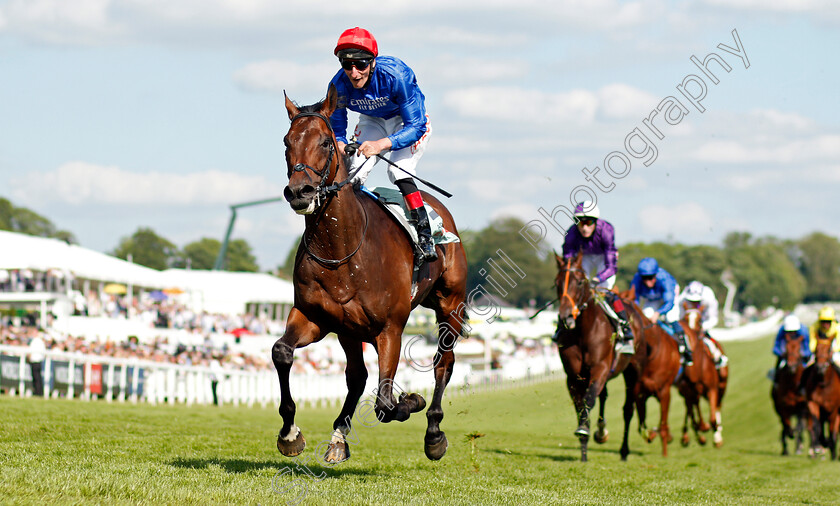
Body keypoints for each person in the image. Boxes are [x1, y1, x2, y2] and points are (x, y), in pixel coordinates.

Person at [328, 27, 436, 262]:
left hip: (406, 123)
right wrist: (340, 142)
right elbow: (337, 126)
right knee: (352, 175)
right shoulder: (338, 85)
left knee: (397, 170)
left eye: (361, 65)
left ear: (373, 61)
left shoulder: (397, 76)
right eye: (347, 65)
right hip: (372, 121)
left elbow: (416, 126)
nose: (354, 73)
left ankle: (424, 234)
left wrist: (381, 144)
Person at [555, 201, 635, 354]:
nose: (584, 227)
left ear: (595, 221)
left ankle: (625, 328)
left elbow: (611, 266)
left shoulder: (606, 230)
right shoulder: (571, 233)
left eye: (588, 222)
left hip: (602, 260)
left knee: (607, 293)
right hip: (583, 258)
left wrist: (597, 279)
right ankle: (560, 327)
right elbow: (568, 258)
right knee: (570, 289)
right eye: (579, 222)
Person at [632, 258, 692, 365]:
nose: (647, 281)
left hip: (669, 297)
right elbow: (634, 299)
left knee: (670, 317)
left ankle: (685, 347)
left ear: (656, 274)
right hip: (652, 298)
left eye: (650, 277)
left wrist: (658, 313)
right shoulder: (636, 279)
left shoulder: (665, 279)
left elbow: (669, 302)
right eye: (644, 278)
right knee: (645, 317)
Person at [678, 280, 727, 368]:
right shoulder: (682, 299)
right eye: (691, 301)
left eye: (696, 301)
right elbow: (680, 317)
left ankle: (718, 357)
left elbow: (713, 319)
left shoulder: (709, 297)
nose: (694, 303)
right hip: (688, 322)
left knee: (708, 338)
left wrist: (702, 327)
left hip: (704, 321)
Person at [28, 331, 46, 397]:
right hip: (39, 361)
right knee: (38, 377)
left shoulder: (34, 341)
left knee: (36, 377)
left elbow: (30, 351)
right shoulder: (41, 342)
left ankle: (37, 392)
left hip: (34, 361)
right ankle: (39, 392)